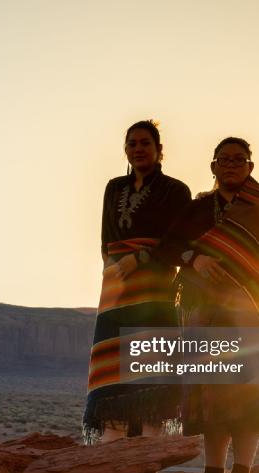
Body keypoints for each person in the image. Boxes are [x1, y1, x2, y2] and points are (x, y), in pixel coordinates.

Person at [152, 137, 259, 473]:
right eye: (224, 159)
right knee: (212, 398)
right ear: (213, 167)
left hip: (255, 317)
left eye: (239, 159)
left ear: (251, 166)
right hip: (205, 314)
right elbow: (167, 248)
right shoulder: (199, 208)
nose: (232, 164)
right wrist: (195, 259)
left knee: (249, 395)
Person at [82, 120, 191, 444]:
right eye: (132, 144)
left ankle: (147, 460)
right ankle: (110, 460)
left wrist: (139, 259)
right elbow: (105, 239)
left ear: (159, 150)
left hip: (155, 291)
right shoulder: (113, 187)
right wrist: (112, 269)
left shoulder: (175, 190)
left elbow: (180, 242)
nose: (138, 149)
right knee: (113, 371)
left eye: (145, 143)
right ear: (125, 150)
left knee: (151, 373)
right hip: (116, 289)